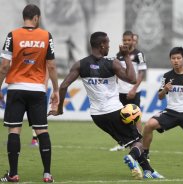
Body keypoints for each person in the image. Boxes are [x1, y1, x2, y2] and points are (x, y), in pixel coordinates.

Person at [48, 31, 164, 179]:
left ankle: (148, 171)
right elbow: (132, 78)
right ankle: (132, 158)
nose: (109, 46)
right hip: (114, 111)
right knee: (138, 142)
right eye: (107, 43)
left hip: (97, 116)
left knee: (131, 140)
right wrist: (127, 56)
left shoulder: (80, 64)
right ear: (102, 45)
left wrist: (59, 109)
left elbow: (63, 86)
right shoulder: (111, 63)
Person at [0, 4, 59, 183]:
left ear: (24, 17)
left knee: (14, 130)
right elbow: (52, 66)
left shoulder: (12, 35)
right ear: (36, 18)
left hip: (16, 89)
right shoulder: (46, 36)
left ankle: (13, 174)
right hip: (37, 90)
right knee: (42, 131)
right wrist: (56, 89)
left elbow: (4, 66)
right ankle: (47, 174)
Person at [110, 31, 146, 152]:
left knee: (136, 117)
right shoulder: (119, 54)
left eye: (128, 40)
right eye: (124, 40)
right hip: (120, 91)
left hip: (133, 91)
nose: (126, 42)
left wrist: (134, 89)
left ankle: (139, 142)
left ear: (132, 40)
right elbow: (115, 72)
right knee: (120, 117)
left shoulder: (138, 54)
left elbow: (141, 72)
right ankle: (123, 142)